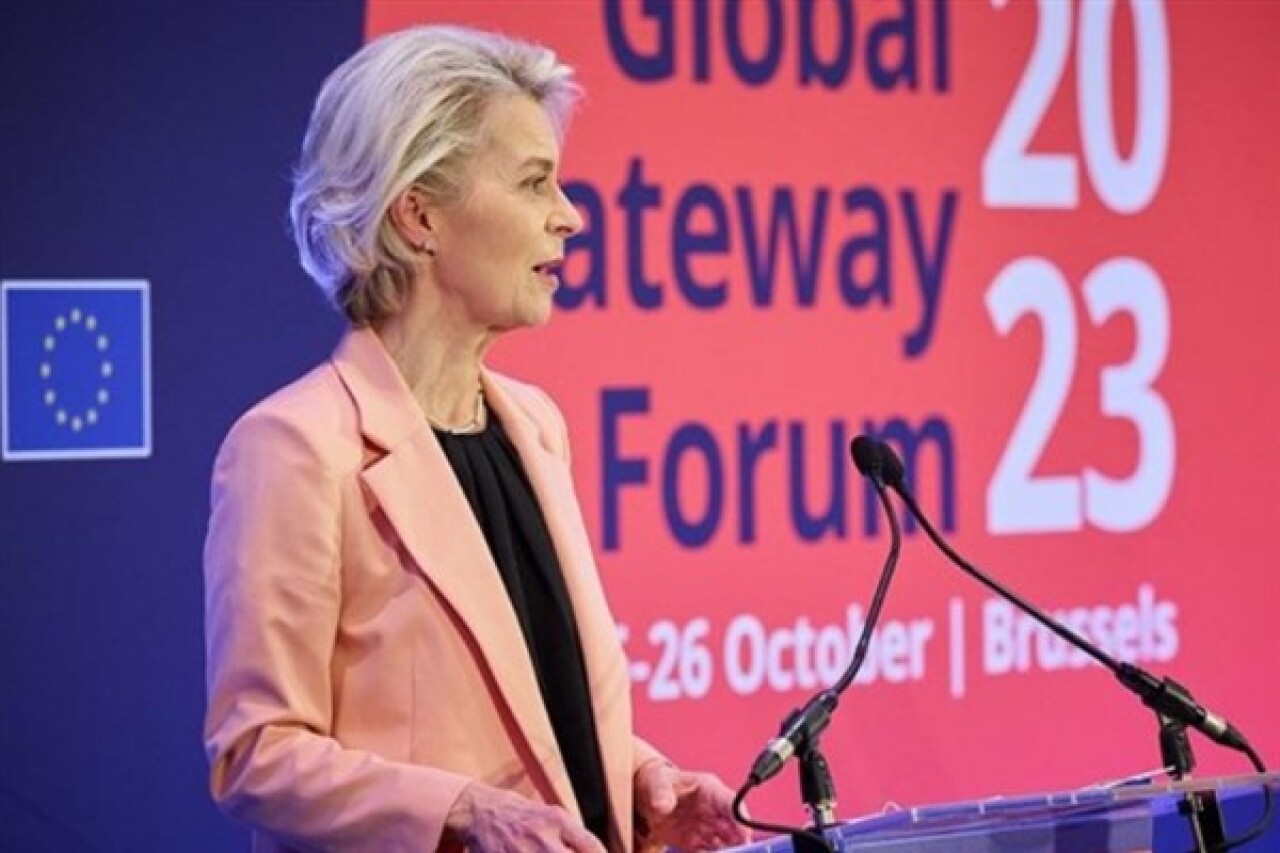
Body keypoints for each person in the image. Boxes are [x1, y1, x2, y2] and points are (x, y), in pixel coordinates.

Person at [202, 24, 752, 853]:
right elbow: (257, 753)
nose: (569, 217)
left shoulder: (536, 426)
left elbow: (535, 708)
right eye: (534, 183)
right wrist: (459, 809)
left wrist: (641, 780)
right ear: (418, 214)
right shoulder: (295, 447)